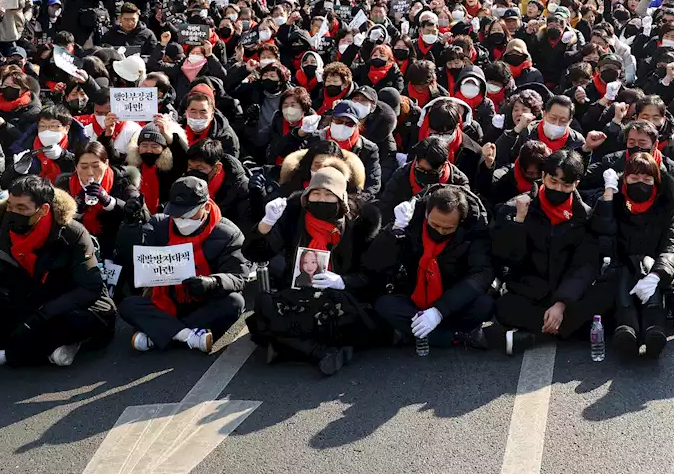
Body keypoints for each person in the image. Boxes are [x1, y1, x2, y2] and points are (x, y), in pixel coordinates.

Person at [245, 162, 384, 374]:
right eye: (316, 194)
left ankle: (294, 348)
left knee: (339, 314)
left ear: (342, 200)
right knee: (263, 307)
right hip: (300, 294)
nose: (321, 200)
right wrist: (266, 223)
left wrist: (342, 281)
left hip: (339, 298)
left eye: (329, 195)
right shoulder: (293, 217)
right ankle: (321, 352)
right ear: (306, 197)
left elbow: (372, 275)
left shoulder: (361, 224)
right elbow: (256, 254)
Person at [0, 175, 115, 367]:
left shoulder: (72, 233)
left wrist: (42, 316)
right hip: (19, 303)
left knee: (87, 321)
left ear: (43, 210)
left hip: (60, 306)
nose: (12, 212)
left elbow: (90, 288)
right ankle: (45, 349)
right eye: (11, 206)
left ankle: (8, 356)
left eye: (21, 208)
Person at [488, 149, 612, 355]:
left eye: (566, 185)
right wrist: (519, 223)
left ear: (576, 185)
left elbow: (584, 265)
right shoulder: (517, 207)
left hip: (568, 293)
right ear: (543, 177)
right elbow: (506, 258)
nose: (559, 188)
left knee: (607, 298)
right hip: (530, 290)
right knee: (503, 307)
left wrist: (562, 303)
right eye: (553, 182)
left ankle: (533, 336)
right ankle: (564, 328)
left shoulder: (584, 216)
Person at [117, 176, 248, 353]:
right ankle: (189, 336)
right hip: (166, 300)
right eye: (176, 213)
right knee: (128, 305)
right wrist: (130, 226)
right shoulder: (160, 224)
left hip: (204, 302)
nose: (181, 219)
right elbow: (130, 256)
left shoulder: (228, 234)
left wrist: (212, 282)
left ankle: (159, 334)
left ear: (206, 207)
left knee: (235, 302)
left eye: (188, 213)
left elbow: (239, 276)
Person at [371, 184, 493, 350]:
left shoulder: (475, 229)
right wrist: (395, 230)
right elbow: (376, 260)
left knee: (484, 304)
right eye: (435, 225)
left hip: (453, 299)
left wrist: (439, 311)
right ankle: (454, 337)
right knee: (384, 304)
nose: (441, 232)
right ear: (427, 214)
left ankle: (413, 332)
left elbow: (481, 274)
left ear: (461, 221)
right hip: (414, 296)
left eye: (448, 228)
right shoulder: (412, 219)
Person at [596, 152, 674, 357]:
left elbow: (673, 244)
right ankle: (626, 325)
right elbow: (603, 237)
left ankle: (654, 327)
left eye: (647, 179)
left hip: (655, 271)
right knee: (627, 267)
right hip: (621, 268)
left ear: (655, 181)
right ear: (625, 179)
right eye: (634, 178)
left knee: (647, 263)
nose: (641, 183)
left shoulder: (666, 205)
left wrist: (657, 274)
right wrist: (607, 199)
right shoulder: (614, 200)